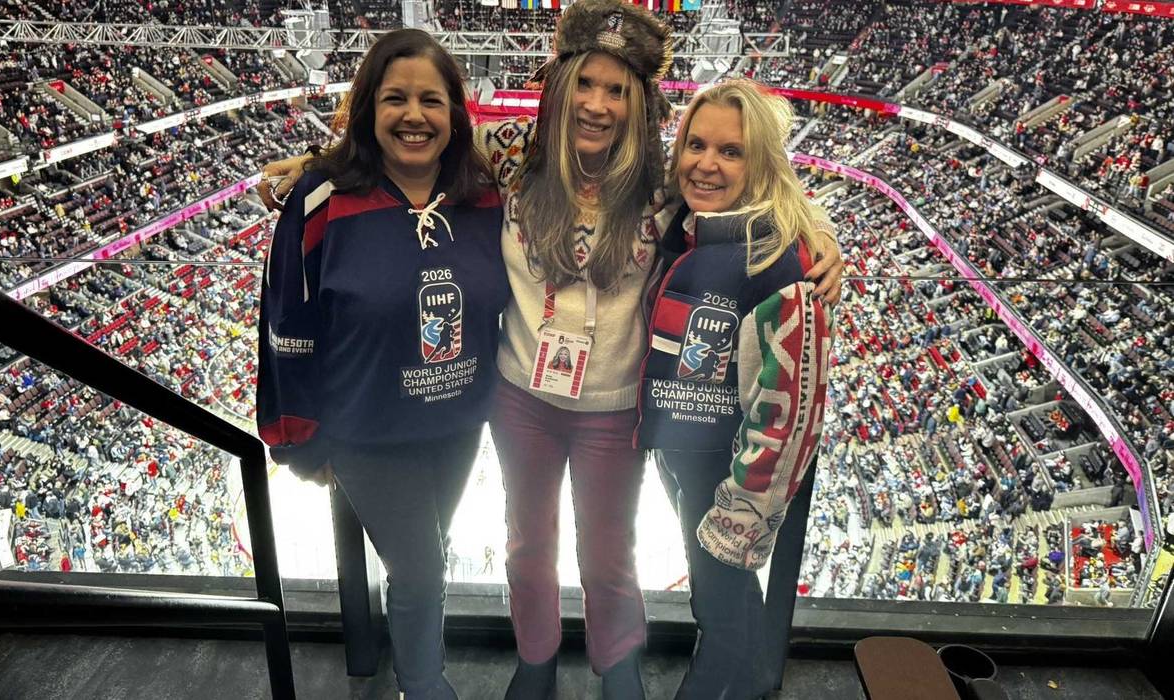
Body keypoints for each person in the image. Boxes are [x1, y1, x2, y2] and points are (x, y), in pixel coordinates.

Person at [257, 3, 843, 697]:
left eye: (616, 90)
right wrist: (315, 166)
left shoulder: (665, 181)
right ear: (560, 88)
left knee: (607, 556)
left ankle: (615, 662)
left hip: (614, 404)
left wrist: (820, 239)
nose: (597, 105)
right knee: (527, 548)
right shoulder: (509, 156)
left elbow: (754, 192)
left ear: (638, 102)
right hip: (519, 398)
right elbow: (408, 152)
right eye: (585, 85)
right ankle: (534, 658)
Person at [255, 29, 508, 699]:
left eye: (431, 99)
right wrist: (297, 442)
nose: (414, 115)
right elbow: (287, 325)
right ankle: (423, 686)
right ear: (367, 108)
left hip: (457, 426)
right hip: (365, 433)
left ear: (456, 112)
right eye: (394, 98)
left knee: (425, 554)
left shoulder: (487, 198)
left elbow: (574, 143)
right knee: (422, 572)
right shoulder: (320, 201)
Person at [635, 81, 836, 700]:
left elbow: (789, 411)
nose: (707, 163)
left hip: (723, 474)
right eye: (695, 144)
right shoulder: (680, 223)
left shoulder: (778, 258)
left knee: (720, 610)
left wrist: (743, 510)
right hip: (681, 452)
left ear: (762, 163)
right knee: (719, 597)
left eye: (731, 151)